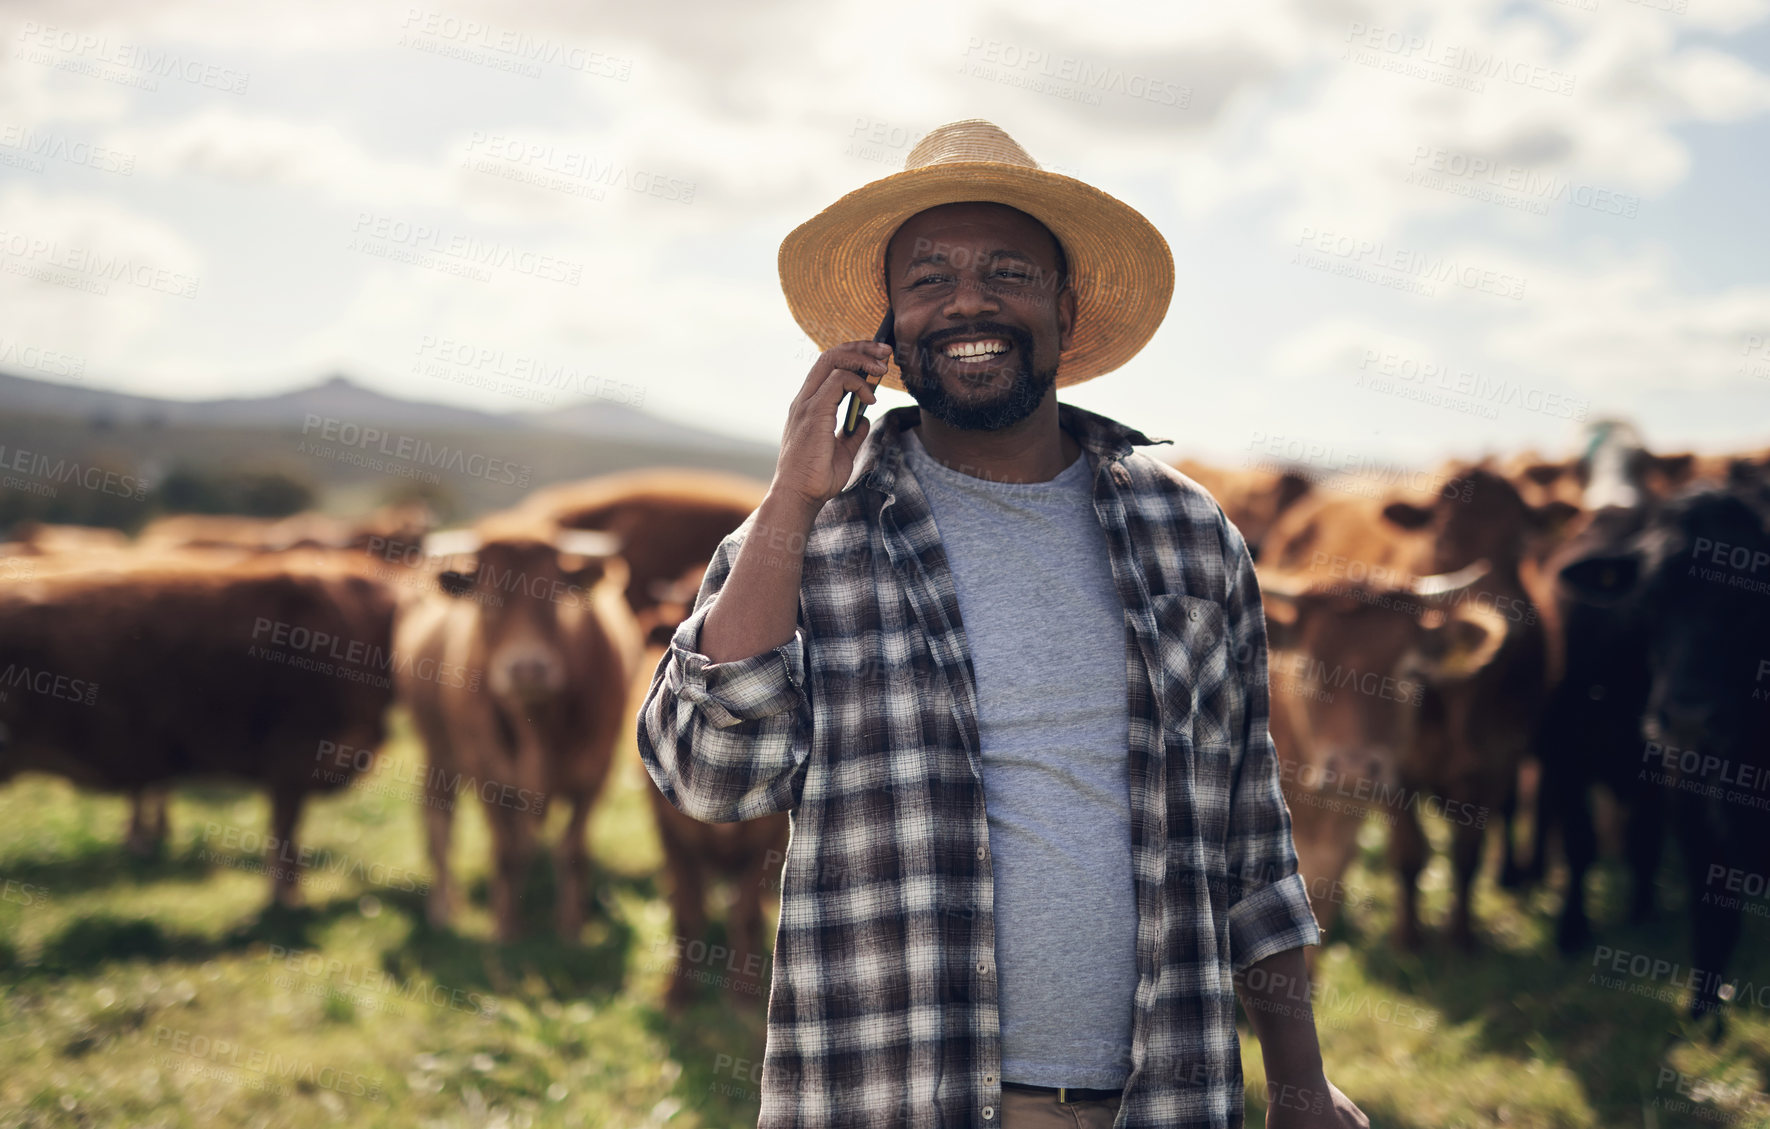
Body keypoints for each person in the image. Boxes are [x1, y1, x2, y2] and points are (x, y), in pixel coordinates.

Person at [637, 119, 1369, 1129]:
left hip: (1160, 1097)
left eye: (1007, 273)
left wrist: (1298, 1082)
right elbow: (710, 780)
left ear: (1065, 312)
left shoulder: (1188, 535)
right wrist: (789, 502)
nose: (968, 300)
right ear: (886, 322)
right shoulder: (811, 531)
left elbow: (1251, 836)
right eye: (928, 277)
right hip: (891, 1095)